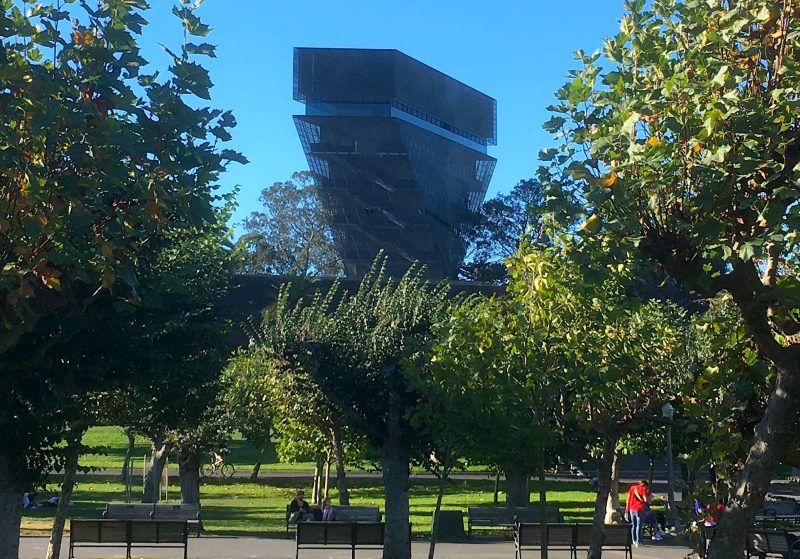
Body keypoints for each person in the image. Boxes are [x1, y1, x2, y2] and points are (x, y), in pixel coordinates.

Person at [625, 480, 650, 547]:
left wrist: (627, 508)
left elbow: (628, 498)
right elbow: (645, 500)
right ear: (645, 485)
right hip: (639, 509)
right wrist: (649, 499)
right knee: (639, 525)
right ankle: (638, 541)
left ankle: (633, 540)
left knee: (634, 524)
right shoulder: (643, 489)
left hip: (631, 508)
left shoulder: (632, 488)